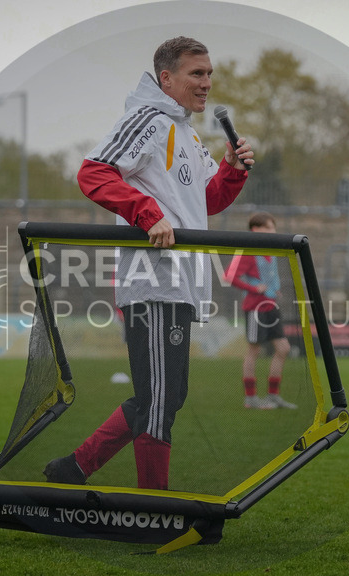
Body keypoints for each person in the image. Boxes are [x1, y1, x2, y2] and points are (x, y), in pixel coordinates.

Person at [43, 36, 254, 489]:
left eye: (209, 73)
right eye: (197, 74)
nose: (207, 83)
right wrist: (148, 212)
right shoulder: (148, 120)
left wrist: (231, 168)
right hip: (153, 281)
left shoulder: (188, 133)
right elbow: (94, 172)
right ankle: (152, 505)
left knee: (166, 396)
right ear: (167, 78)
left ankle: (73, 469)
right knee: (159, 399)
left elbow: (206, 201)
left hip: (180, 283)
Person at [224, 212, 296, 410]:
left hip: (271, 306)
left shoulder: (270, 251)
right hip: (255, 308)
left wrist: (274, 289)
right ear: (256, 230)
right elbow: (229, 275)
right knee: (254, 350)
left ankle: (273, 396)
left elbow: (267, 277)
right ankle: (251, 398)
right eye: (269, 228)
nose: (273, 232)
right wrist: (254, 289)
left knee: (283, 349)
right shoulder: (247, 252)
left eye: (274, 228)